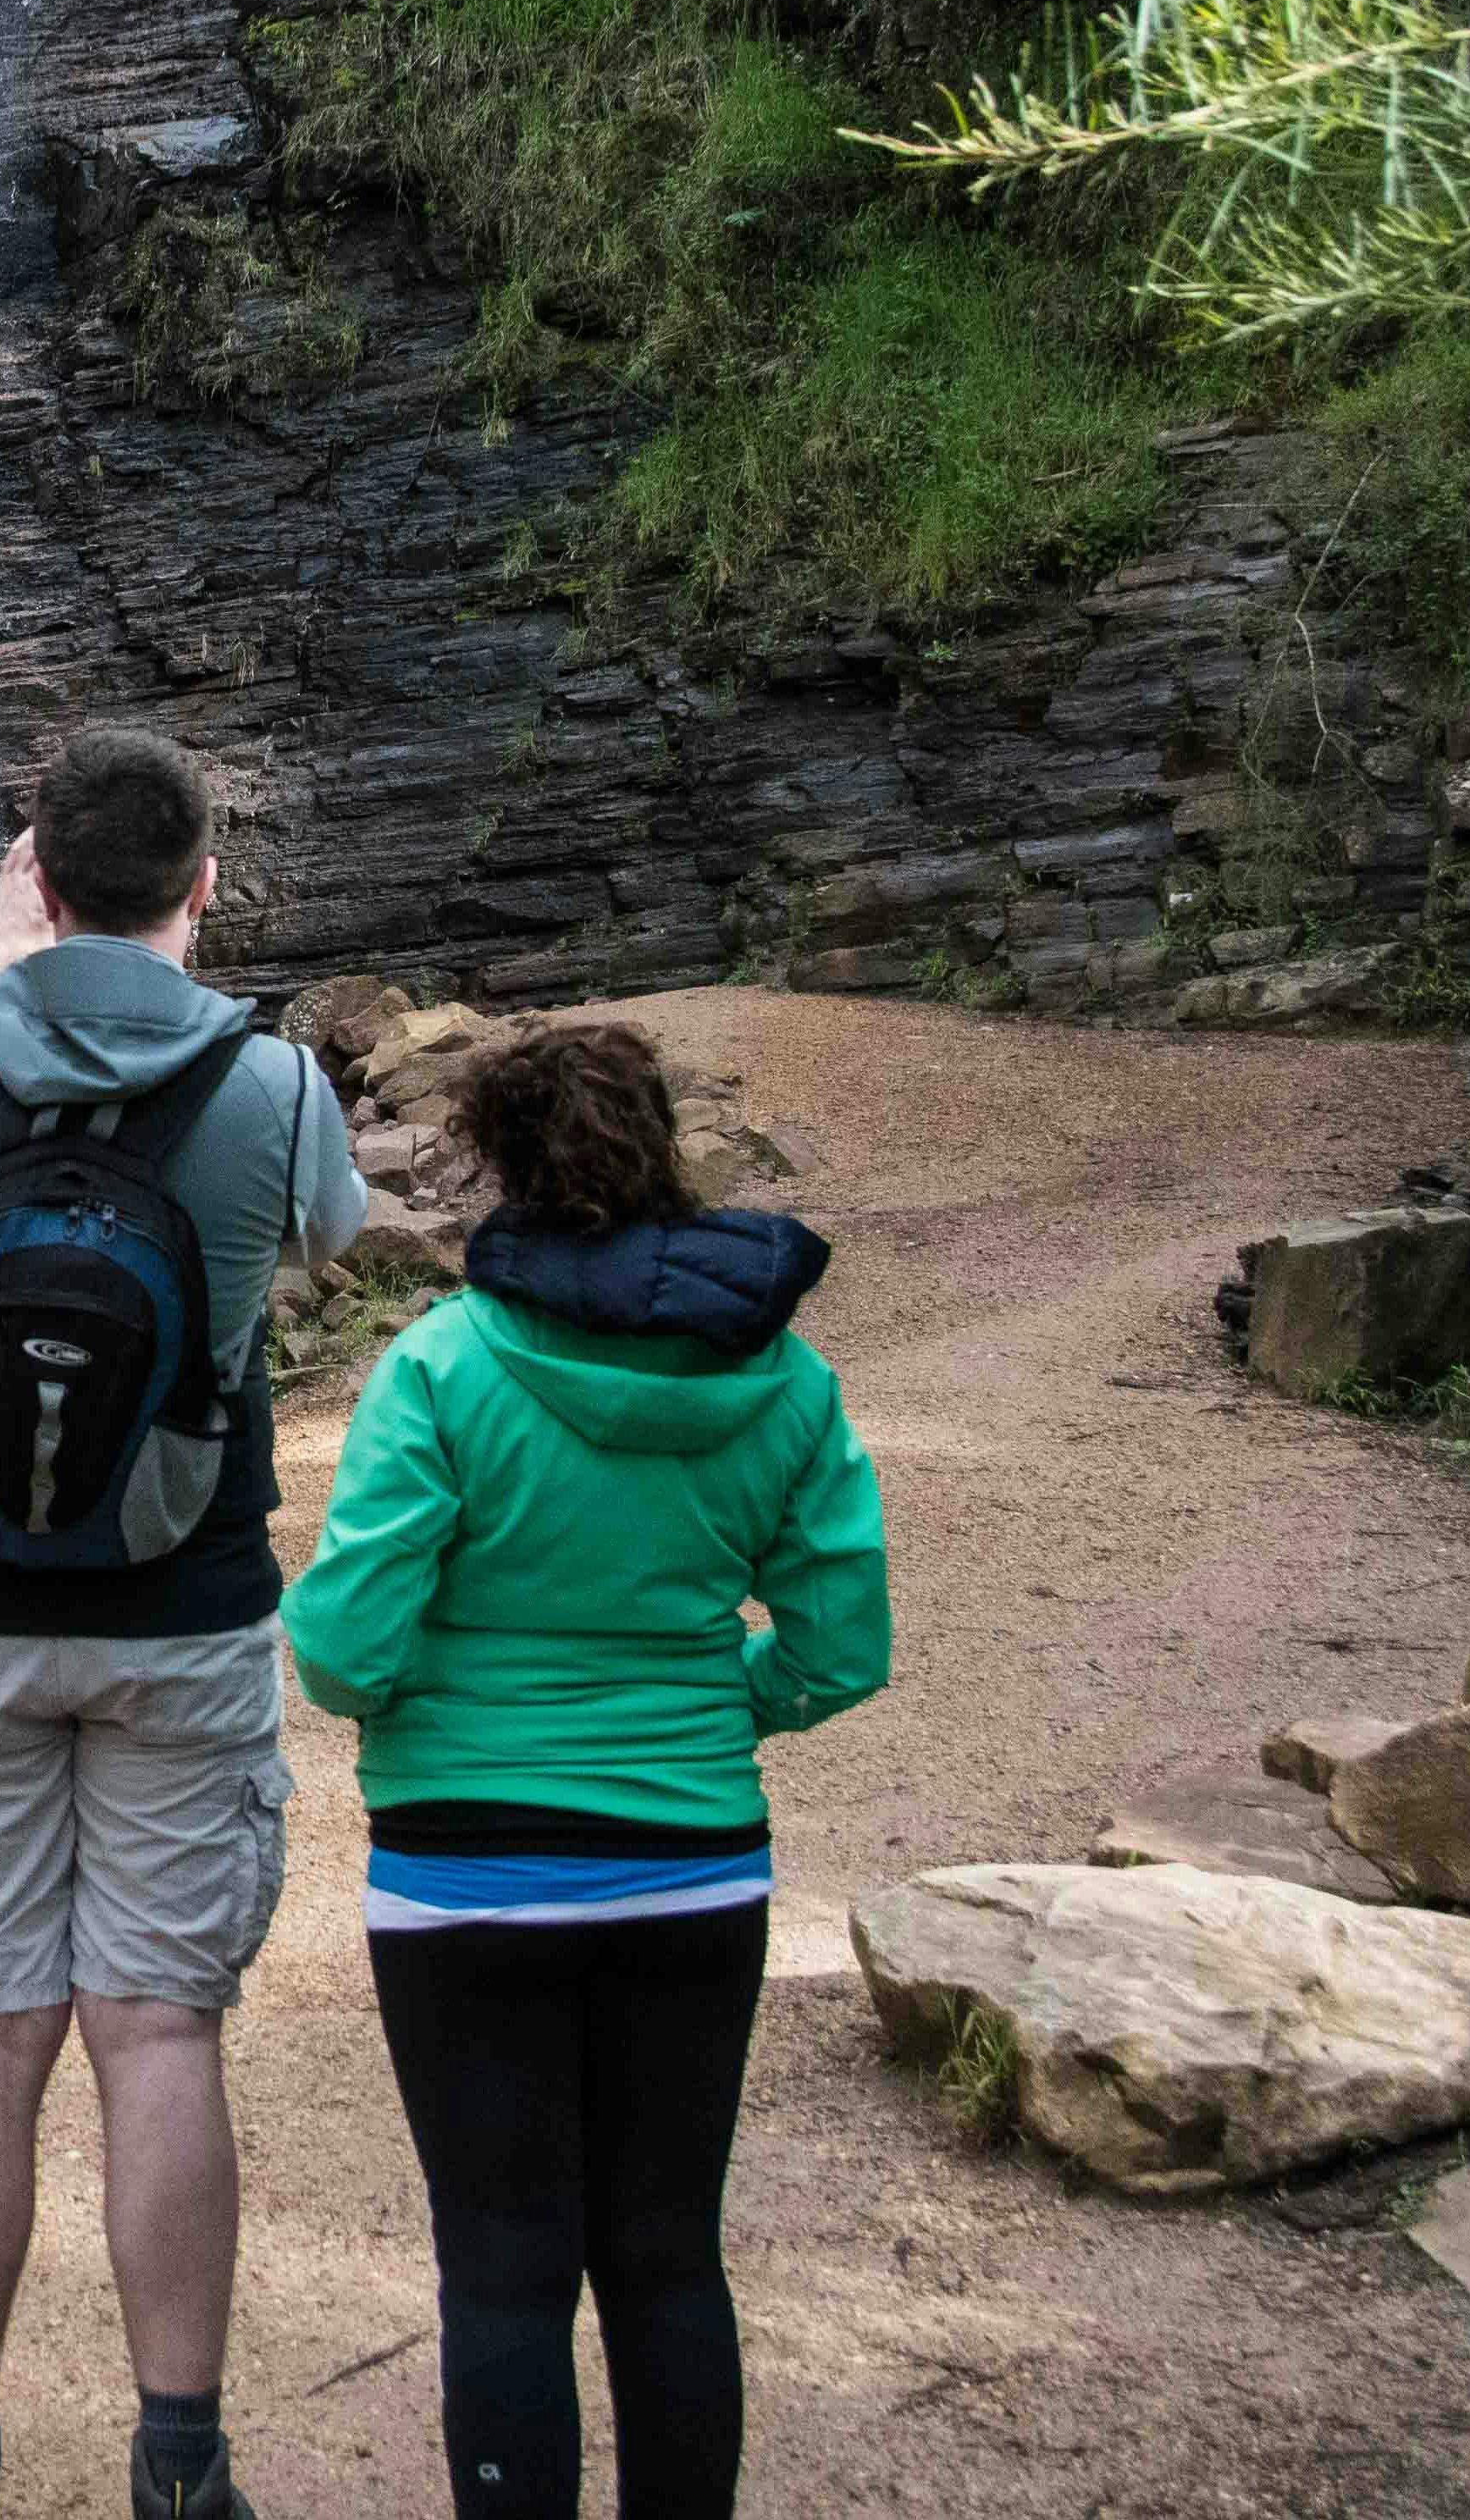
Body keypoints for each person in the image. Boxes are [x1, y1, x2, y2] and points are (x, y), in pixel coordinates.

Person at [0, 723, 368, 2520]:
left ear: (32, 860)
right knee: (161, 2033)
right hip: (184, 1604)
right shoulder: (267, 1077)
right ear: (200, 883)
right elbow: (331, 1236)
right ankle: (176, 2461)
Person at [280, 1022, 889, 2520]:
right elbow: (838, 1650)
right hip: (695, 1861)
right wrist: (703, 1705)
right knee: (669, 2251)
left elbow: (346, 1653)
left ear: (500, 1162)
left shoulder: (440, 1367)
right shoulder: (787, 1383)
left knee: (502, 2267)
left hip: (463, 1874)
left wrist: (446, 1708)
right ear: (664, 1147)